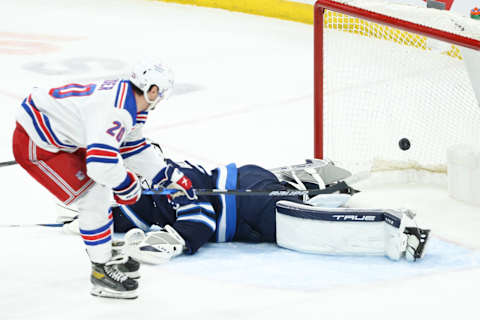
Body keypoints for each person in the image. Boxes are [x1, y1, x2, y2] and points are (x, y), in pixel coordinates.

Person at [12, 58, 195, 299]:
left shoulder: (130, 102)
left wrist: (167, 176)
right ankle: (101, 271)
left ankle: (102, 251)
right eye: (160, 93)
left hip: (63, 136)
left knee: (99, 191)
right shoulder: (119, 111)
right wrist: (127, 185)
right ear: (152, 90)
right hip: (39, 144)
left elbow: (132, 146)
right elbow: (100, 165)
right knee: (94, 195)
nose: (160, 99)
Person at [106, 157, 430, 265]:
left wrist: (178, 240)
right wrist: (98, 219)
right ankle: (311, 183)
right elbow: (132, 214)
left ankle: (395, 226)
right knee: (290, 204)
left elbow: (201, 218)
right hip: (248, 184)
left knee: (303, 224)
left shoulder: (174, 182)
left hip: (249, 204)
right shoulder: (154, 193)